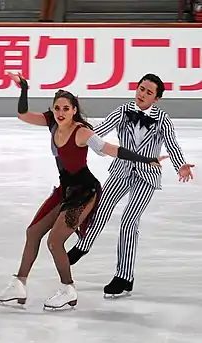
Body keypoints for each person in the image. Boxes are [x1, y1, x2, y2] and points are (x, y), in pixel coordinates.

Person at [0, 73, 167, 310]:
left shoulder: (82, 132)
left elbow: (111, 149)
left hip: (84, 193)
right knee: (33, 233)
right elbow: (23, 114)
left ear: (74, 110)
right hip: (64, 190)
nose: (60, 113)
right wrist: (24, 88)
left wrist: (146, 159)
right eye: (57, 108)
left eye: (66, 108)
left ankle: (68, 290)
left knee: (55, 242)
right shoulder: (52, 122)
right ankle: (19, 284)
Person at [67, 73, 195, 297]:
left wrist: (180, 165)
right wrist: (78, 128)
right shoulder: (123, 111)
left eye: (148, 92)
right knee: (101, 207)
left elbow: (172, 144)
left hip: (146, 175)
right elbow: (101, 130)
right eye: (141, 88)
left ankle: (124, 276)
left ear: (156, 99)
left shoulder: (162, 119)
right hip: (121, 170)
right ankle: (83, 246)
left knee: (129, 221)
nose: (142, 94)